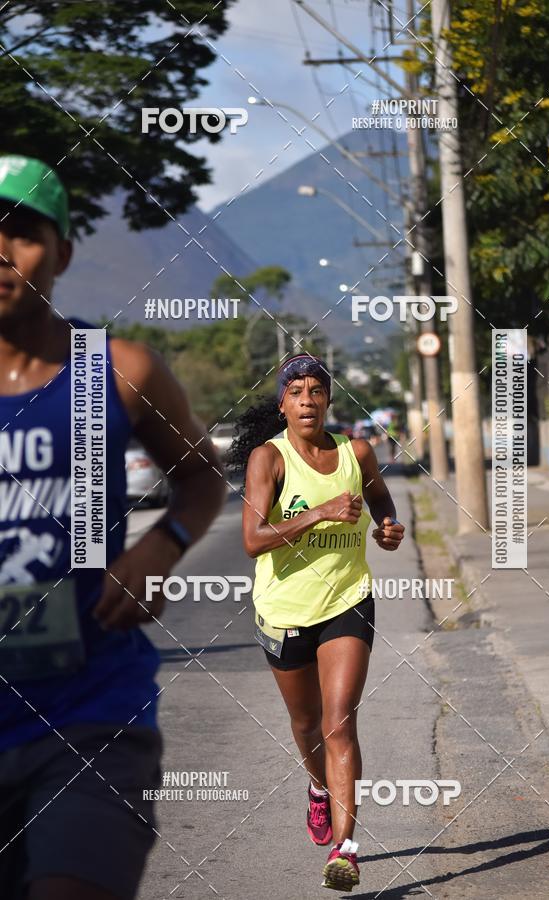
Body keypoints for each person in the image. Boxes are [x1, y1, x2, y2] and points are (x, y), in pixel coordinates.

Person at [0, 155, 226, 900]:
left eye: (21, 232)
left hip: (92, 717)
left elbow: (199, 475)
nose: (0, 251)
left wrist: (166, 543)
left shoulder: (117, 371)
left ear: (61, 250)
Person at [230, 354, 405, 891]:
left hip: (347, 601)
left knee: (338, 721)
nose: (308, 399)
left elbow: (378, 496)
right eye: (297, 391)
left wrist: (388, 525)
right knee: (306, 726)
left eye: (316, 390)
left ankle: (346, 851)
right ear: (283, 403)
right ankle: (316, 787)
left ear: (328, 400)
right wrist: (316, 514)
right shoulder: (269, 459)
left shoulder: (357, 451)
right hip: (284, 611)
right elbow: (253, 540)